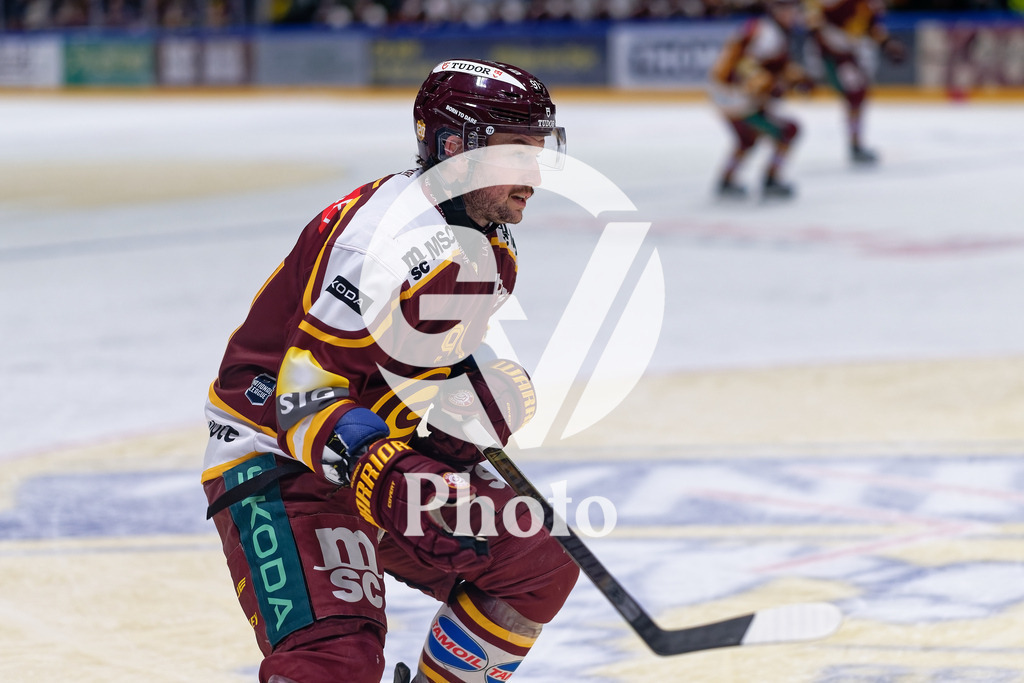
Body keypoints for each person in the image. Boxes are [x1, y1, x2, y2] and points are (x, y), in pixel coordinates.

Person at [201, 59, 579, 683]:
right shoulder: (381, 243)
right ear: (457, 150)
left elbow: (420, 358)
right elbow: (300, 398)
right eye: (518, 154)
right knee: (332, 660)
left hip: (370, 450)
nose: (534, 176)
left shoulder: (488, 239)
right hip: (274, 455)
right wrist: (385, 463)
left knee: (538, 563)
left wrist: (467, 400)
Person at [709, 0, 813, 199]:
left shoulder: (767, 29)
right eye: (787, 10)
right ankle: (771, 179)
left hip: (729, 94)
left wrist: (795, 79)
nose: (792, 15)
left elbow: (774, 65)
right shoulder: (768, 33)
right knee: (787, 131)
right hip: (735, 97)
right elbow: (744, 64)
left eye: (793, 10)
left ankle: (727, 179)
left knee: (747, 139)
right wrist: (770, 85)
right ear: (776, 11)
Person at [804, 0, 906, 163]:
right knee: (856, 94)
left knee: (857, 95)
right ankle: (855, 144)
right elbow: (816, 16)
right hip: (830, 56)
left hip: (846, 54)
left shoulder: (872, 7)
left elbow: (870, 29)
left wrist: (887, 43)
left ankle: (855, 143)